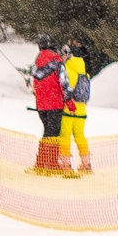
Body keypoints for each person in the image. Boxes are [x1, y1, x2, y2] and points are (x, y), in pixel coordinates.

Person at [28, 37, 67, 175]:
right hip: (55, 103)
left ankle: (41, 161)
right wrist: (70, 103)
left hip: (41, 105)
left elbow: (34, 83)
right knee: (54, 133)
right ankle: (51, 162)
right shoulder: (57, 61)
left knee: (46, 132)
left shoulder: (37, 62)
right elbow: (64, 83)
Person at [60, 38, 93, 177]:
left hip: (69, 106)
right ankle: (86, 163)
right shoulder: (83, 68)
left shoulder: (68, 68)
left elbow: (66, 87)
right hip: (82, 107)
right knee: (80, 135)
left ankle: (66, 164)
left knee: (65, 135)